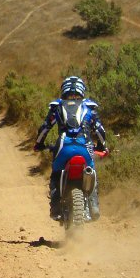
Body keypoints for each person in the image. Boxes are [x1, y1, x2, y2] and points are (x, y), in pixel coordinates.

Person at [33, 76, 109, 221]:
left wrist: (38, 144)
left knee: (56, 172)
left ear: (64, 90)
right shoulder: (89, 107)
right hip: (85, 147)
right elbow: (99, 130)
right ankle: (93, 206)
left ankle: (55, 208)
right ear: (82, 90)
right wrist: (102, 147)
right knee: (91, 171)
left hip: (64, 146)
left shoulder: (57, 107)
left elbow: (45, 128)